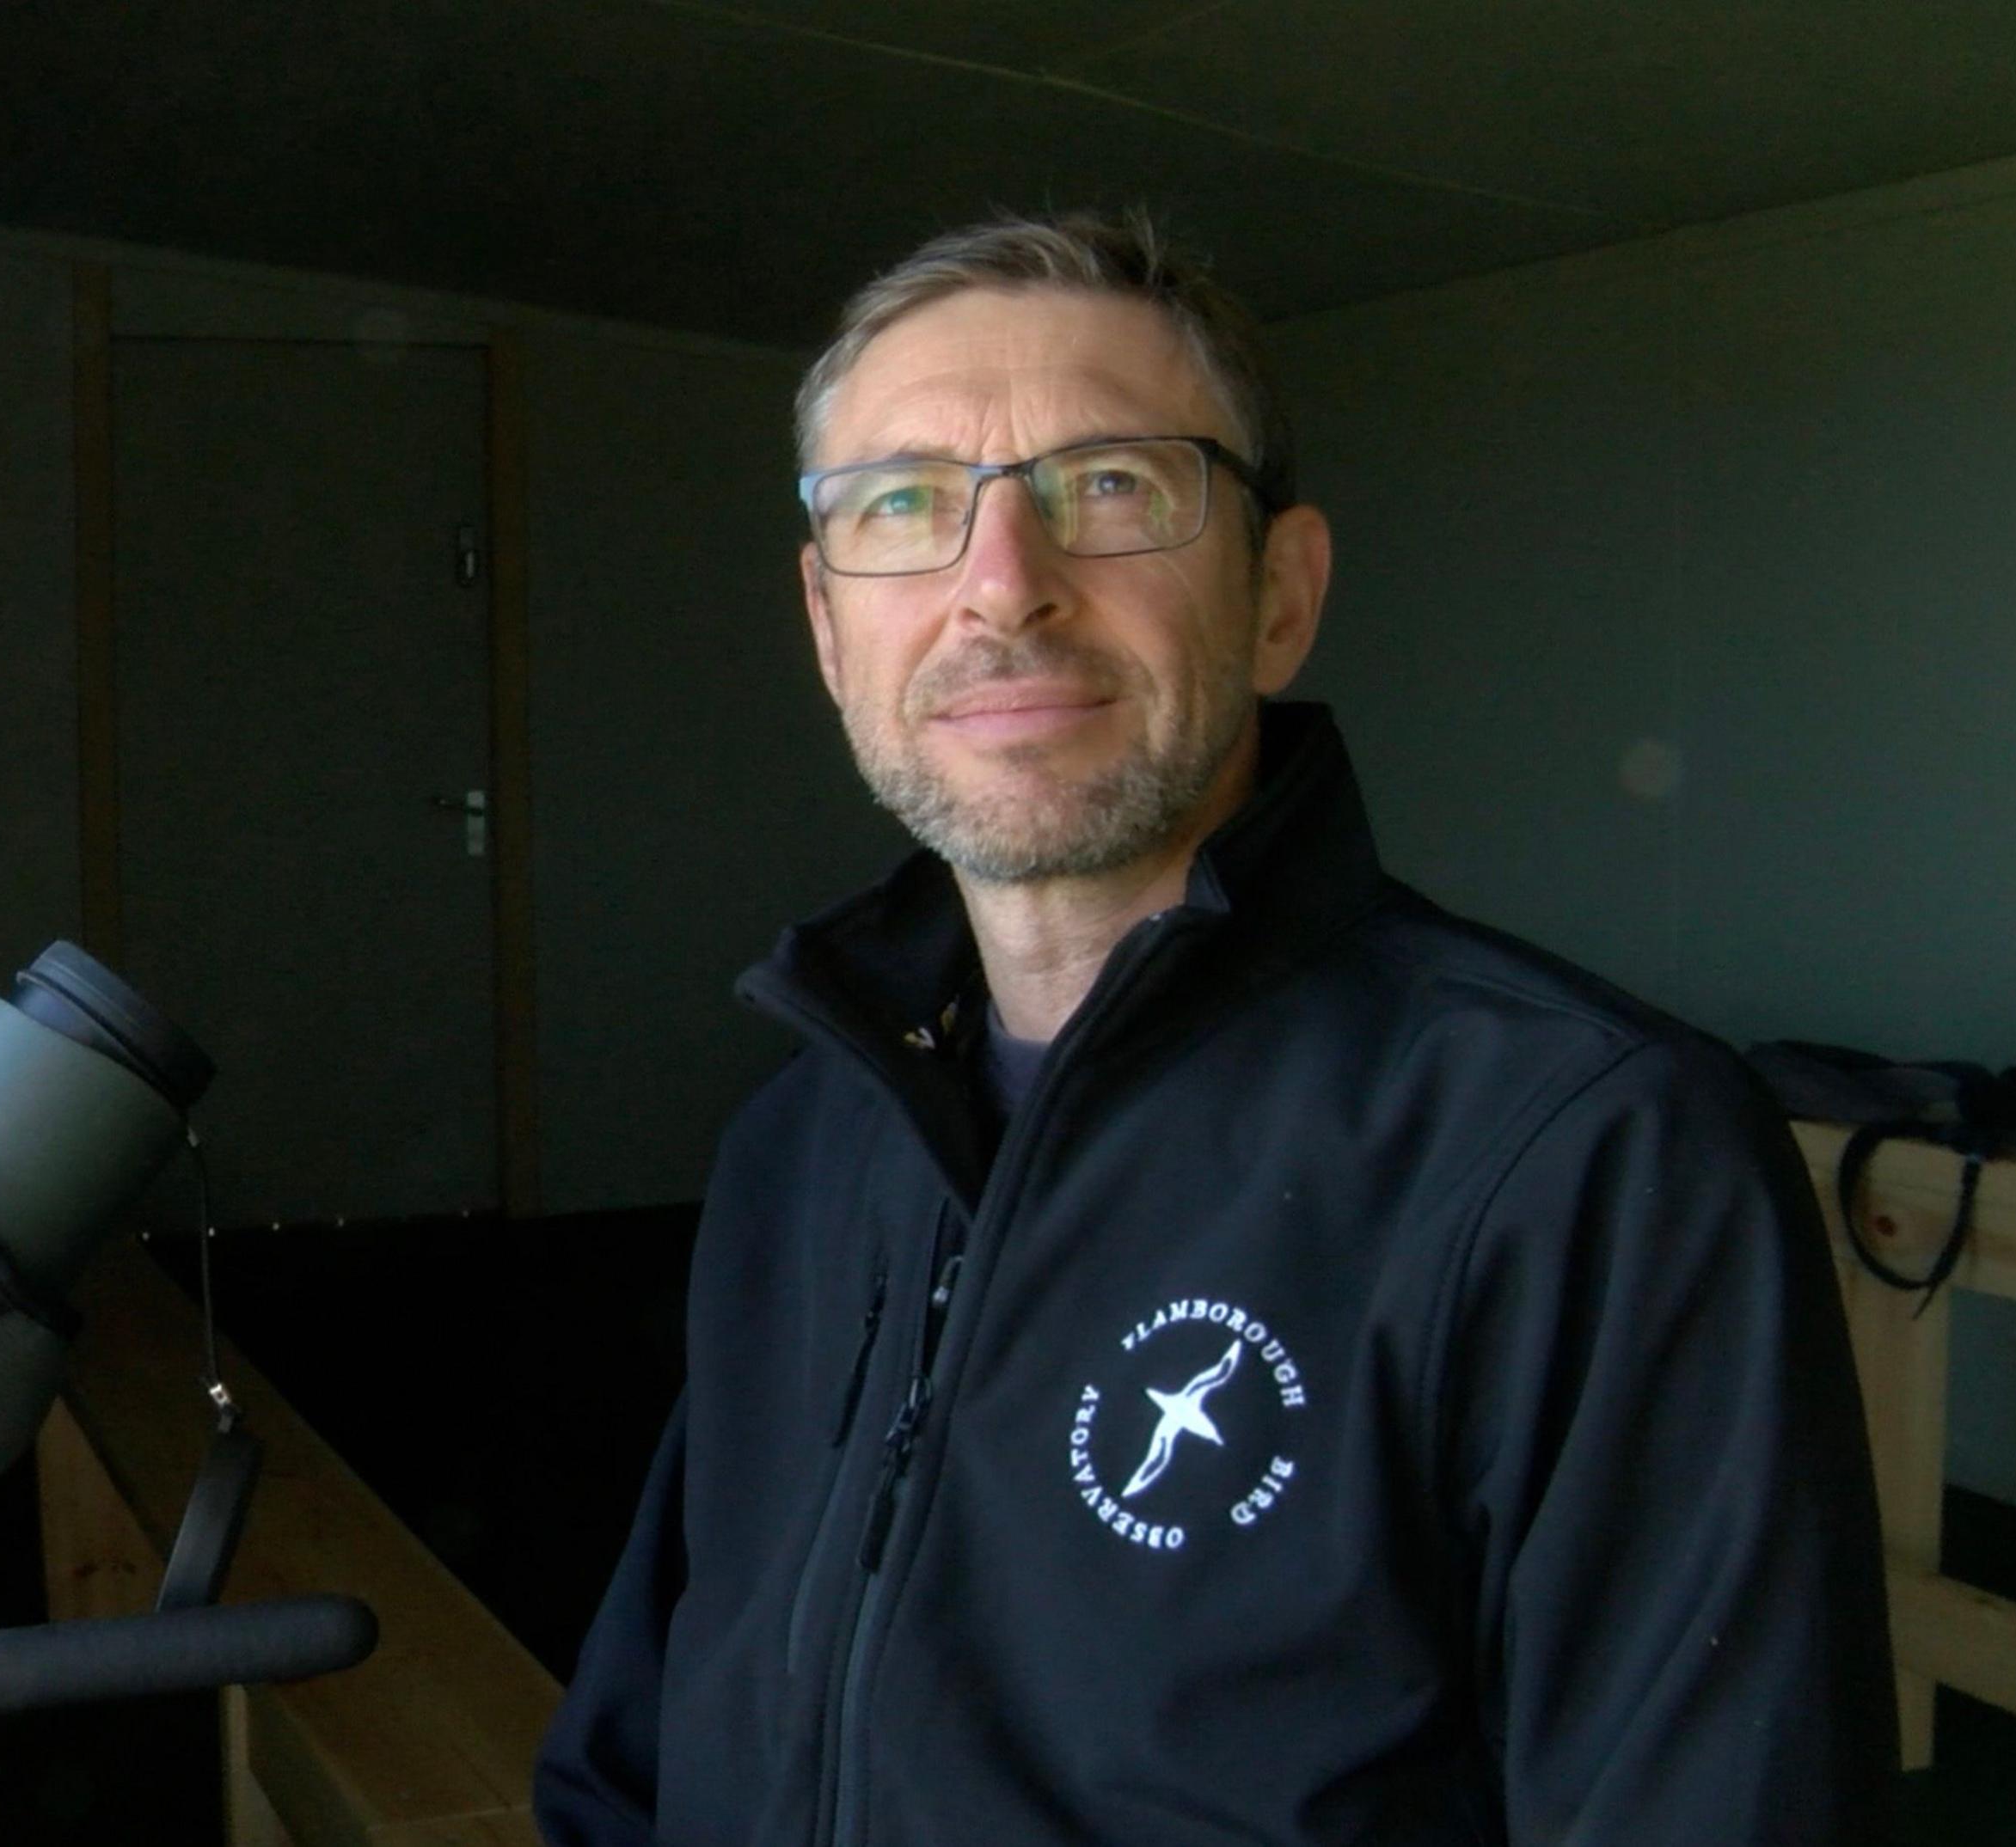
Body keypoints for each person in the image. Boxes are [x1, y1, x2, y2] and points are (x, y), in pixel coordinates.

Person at [532, 211, 1894, 1846]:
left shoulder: (1592, 1158)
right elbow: (636, 1755)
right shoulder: (801, 1149)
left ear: (1280, 595)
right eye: (904, 504)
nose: (1001, 587)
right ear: (832, 632)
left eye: (1110, 485)